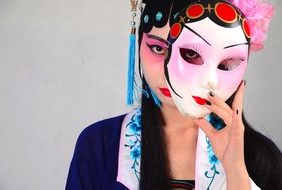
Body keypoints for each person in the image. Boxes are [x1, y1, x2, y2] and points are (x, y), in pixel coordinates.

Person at [65, 0, 282, 189]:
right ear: (139, 44)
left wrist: (236, 174)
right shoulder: (99, 145)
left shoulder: (261, 158)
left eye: (190, 53)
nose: (171, 72)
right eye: (158, 49)